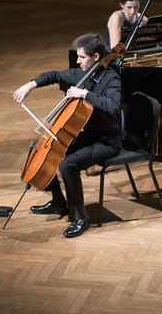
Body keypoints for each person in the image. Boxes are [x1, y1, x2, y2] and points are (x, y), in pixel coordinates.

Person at [12, 33, 121, 238]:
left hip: (107, 141)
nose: (77, 61)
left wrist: (86, 94)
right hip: (87, 136)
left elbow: (114, 106)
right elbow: (54, 75)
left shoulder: (111, 79)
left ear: (96, 57)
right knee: (51, 151)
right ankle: (58, 203)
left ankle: (81, 217)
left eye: (81, 57)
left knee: (67, 164)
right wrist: (30, 85)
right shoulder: (80, 75)